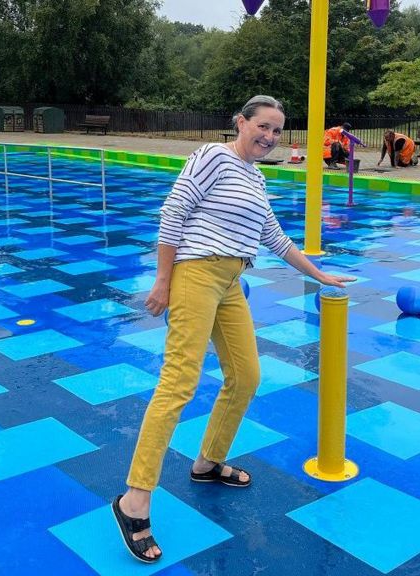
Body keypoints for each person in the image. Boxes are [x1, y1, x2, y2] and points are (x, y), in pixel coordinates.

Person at [112, 95, 355, 564]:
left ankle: (207, 462)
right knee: (178, 383)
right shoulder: (212, 157)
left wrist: (320, 275)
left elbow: (276, 238)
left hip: (230, 280)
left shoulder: (256, 177)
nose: (269, 136)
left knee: (245, 376)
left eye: (278, 131)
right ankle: (134, 500)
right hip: (196, 274)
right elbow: (172, 214)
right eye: (262, 126)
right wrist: (163, 280)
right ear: (241, 123)